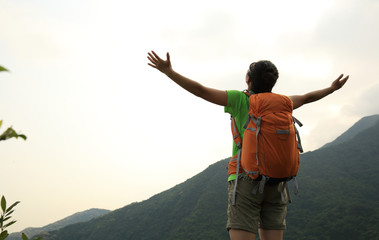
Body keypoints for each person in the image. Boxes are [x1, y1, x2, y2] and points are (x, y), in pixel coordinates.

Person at [147, 51, 348, 240]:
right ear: (273, 82)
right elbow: (308, 97)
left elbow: (200, 91)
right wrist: (332, 89)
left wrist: (169, 72)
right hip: (277, 181)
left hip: (245, 178)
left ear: (248, 79)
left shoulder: (240, 99)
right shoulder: (285, 102)